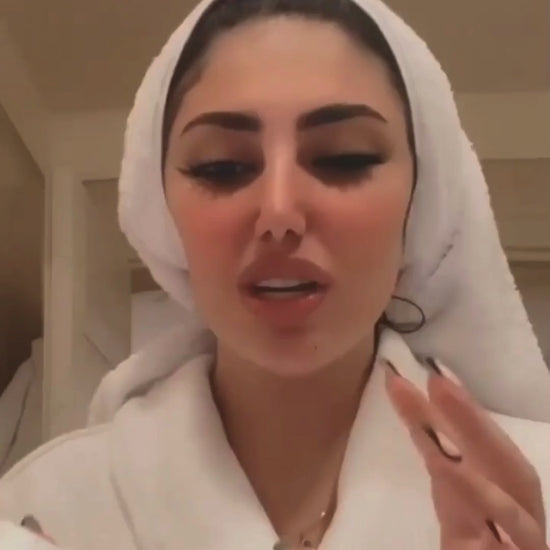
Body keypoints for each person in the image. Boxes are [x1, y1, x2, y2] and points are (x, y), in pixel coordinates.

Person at [1, 0, 549, 548]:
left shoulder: (537, 482)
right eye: (221, 167)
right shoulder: (45, 509)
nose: (280, 211)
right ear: (164, 215)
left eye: (345, 158)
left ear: (420, 206)